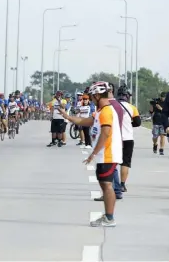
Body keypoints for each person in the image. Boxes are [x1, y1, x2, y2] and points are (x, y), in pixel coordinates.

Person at [60, 81, 122, 227]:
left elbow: (106, 133)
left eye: (93, 96)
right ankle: (108, 216)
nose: (92, 99)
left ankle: (109, 218)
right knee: (104, 184)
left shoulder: (107, 111)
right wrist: (68, 117)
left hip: (108, 153)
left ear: (98, 95)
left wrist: (93, 153)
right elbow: (86, 121)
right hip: (103, 154)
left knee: (107, 185)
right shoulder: (100, 111)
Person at [115, 85, 141, 193]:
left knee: (113, 162)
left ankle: (112, 183)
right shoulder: (132, 108)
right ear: (127, 96)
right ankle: (122, 185)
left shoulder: (111, 106)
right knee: (125, 163)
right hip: (128, 139)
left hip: (115, 138)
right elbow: (138, 123)